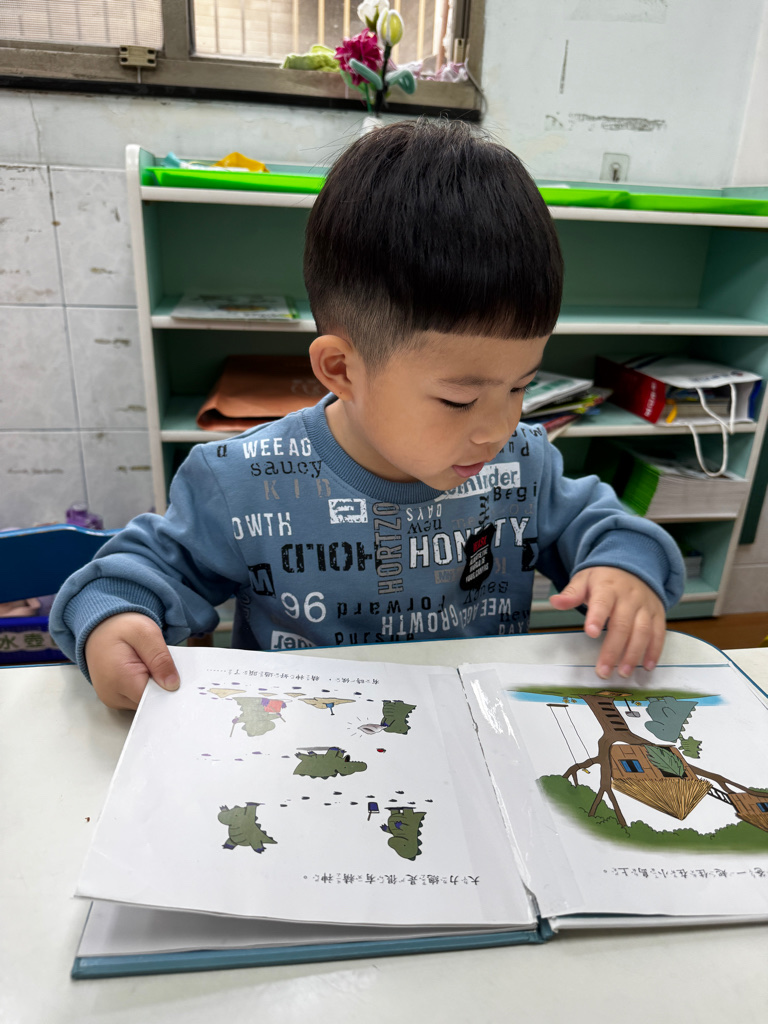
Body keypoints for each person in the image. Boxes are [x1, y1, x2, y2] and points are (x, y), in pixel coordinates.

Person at [51, 119, 684, 710]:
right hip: (306, 747)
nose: (497, 429)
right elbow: (135, 575)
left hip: (478, 736)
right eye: (458, 399)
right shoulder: (241, 481)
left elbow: (609, 528)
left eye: (520, 386)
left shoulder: (525, 464)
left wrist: (624, 569)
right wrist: (114, 619)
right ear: (341, 369)